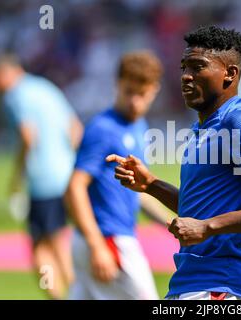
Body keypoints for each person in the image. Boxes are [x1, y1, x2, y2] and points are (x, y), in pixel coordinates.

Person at [107, 26, 241, 300]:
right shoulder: (202, 129)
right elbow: (200, 210)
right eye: (184, 67)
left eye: (198, 67)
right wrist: (151, 185)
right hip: (190, 283)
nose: (186, 76)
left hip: (221, 287)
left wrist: (207, 227)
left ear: (230, 74)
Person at [66, 50, 171, 300]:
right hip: (108, 239)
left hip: (101, 240)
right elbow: (75, 187)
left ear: (154, 90)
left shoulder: (138, 127)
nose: (135, 101)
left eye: (142, 94)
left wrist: (170, 225)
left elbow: (139, 192)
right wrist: (97, 245)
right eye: (128, 92)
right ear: (117, 84)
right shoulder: (103, 128)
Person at [0, 54, 83, 299]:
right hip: (66, 174)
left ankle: (71, 294)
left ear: (2, 74)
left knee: (45, 246)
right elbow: (75, 128)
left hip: (43, 180)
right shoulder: (45, 87)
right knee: (53, 239)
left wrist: (17, 176)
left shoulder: (15, 96)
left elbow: (28, 136)